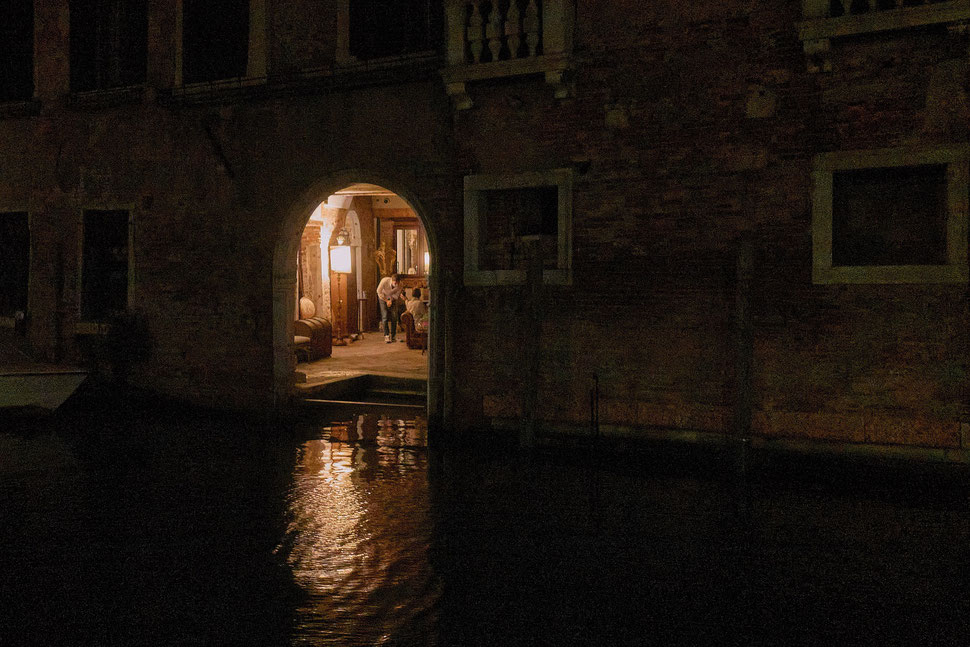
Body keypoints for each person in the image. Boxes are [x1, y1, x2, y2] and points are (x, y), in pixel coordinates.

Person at [376, 273, 403, 343]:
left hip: (392, 299)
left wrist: (391, 300)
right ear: (392, 280)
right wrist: (386, 300)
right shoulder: (384, 281)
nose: (396, 284)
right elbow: (378, 291)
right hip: (383, 298)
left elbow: (397, 295)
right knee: (384, 316)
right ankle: (386, 335)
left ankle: (393, 336)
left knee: (394, 316)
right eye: (395, 283)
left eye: (398, 282)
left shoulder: (400, 284)